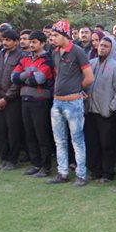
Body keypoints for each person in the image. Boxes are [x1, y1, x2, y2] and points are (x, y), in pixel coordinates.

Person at [47, 22, 94, 186]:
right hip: (57, 102)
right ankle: (63, 172)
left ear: (65, 35)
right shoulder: (55, 52)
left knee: (77, 140)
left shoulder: (77, 52)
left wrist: (76, 89)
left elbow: (89, 78)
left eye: (55, 35)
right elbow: (59, 75)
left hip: (73, 103)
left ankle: (81, 175)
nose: (52, 39)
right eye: (51, 36)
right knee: (59, 141)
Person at [12, 30, 55, 178]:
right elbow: (14, 77)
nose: (31, 44)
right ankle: (35, 163)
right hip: (25, 100)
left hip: (40, 101)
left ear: (43, 43)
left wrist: (24, 75)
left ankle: (45, 166)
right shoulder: (24, 59)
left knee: (41, 133)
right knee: (30, 134)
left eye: (34, 42)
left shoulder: (47, 60)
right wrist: (30, 73)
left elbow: (40, 79)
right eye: (30, 42)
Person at [85, 36, 116, 182]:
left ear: (112, 48)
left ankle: (108, 173)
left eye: (106, 46)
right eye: (100, 45)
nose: (102, 48)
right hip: (90, 111)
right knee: (92, 142)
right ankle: (95, 171)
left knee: (106, 144)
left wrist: (111, 107)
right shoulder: (91, 63)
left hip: (106, 112)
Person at [0, 29, 23, 171]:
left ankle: (12, 160)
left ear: (16, 42)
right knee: (0, 131)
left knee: (13, 131)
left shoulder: (21, 56)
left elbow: (18, 81)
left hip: (12, 100)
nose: (5, 43)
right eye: (4, 40)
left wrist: (6, 98)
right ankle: (3, 158)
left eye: (8, 40)